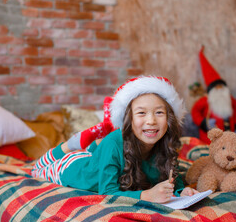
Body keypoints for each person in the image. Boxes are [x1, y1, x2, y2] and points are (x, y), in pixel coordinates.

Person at [32, 76, 199, 203]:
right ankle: (74, 143)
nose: (151, 121)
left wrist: (182, 193)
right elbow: (107, 192)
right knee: (37, 168)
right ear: (128, 119)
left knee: (100, 154)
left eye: (159, 113)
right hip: (73, 169)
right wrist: (147, 195)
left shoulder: (165, 142)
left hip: (101, 158)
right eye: (141, 113)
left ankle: (93, 147)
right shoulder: (113, 142)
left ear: (169, 119)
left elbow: (172, 182)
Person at [191, 46, 236, 144]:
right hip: (210, 140)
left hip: (229, 138)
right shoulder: (206, 100)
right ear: (212, 90)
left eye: (221, 87)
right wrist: (204, 123)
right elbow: (195, 111)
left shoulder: (229, 99)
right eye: (217, 88)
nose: (220, 90)